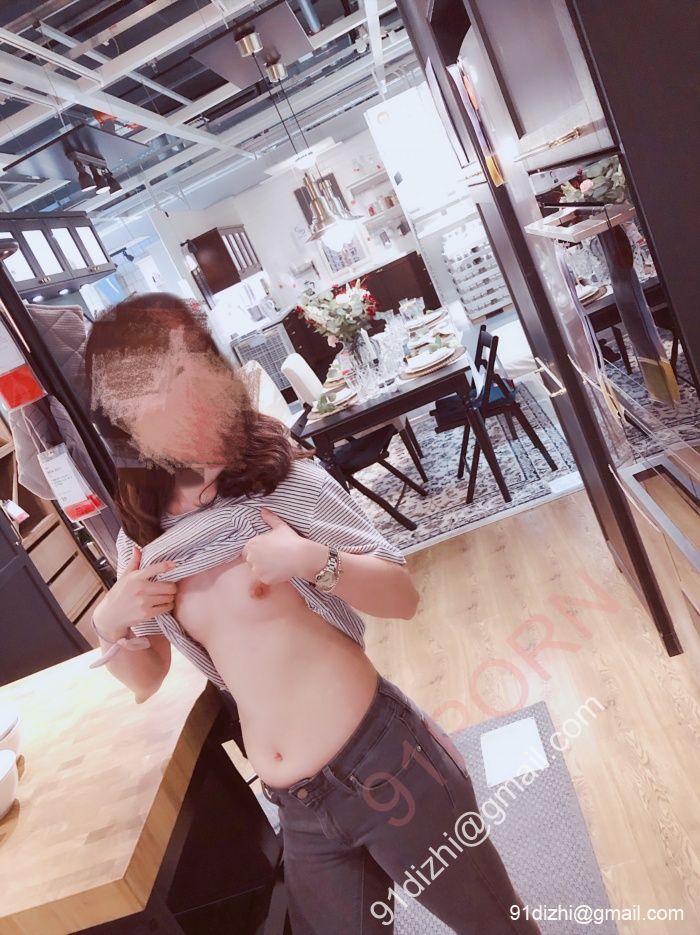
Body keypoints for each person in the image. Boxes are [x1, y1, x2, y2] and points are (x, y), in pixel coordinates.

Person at [85, 293, 540, 935]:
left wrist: (312, 560)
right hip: (298, 809)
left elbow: (402, 596)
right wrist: (111, 620)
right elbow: (145, 678)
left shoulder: (281, 483)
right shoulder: (143, 540)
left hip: (385, 765)